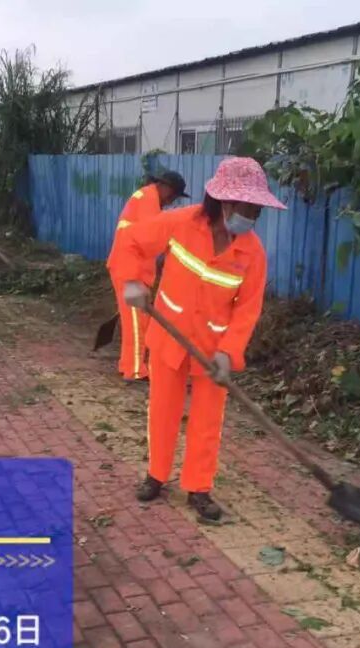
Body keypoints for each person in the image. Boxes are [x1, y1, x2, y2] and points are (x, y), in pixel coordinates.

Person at [117, 157, 285, 521]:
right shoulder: (182, 223)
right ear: (225, 201)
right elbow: (131, 241)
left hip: (212, 350)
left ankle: (199, 487)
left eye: (257, 210)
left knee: (208, 422)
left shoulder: (252, 253)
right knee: (163, 411)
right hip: (169, 337)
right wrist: (133, 281)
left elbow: (247, 310)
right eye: (248, 208)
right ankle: (156, 476)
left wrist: (229, 353)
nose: (253, 216)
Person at [106, 170, 188, 382]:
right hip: (129, 270)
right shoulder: (149, 199)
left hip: (133, 269)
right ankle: (134, 370)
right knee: (135, 322)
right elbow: (153, 234)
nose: (171, 201)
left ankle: (128, 364)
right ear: (165, 187)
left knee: (138, 320)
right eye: (173, 196)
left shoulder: (146, 198)